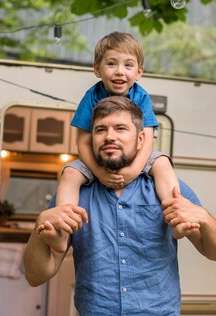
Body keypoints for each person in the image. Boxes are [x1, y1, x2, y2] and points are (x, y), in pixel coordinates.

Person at [23, 96, 216, 316]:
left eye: (121, 128)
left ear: (141, 139)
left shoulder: (167, 188)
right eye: (101, 130)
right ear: (92, 139)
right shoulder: (74, 195)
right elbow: (36, 275)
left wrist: (203, 217)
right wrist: (39, 229)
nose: (110, 136)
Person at [46, 31, 198, 240]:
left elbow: (147, 138)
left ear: (139, 72)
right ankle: (61, 232)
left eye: (128, 65)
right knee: (70, 174)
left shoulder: (141, 96)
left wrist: (134, 170)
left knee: (162, 163)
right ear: (97, 69)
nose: (120, 72)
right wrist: (99, 172)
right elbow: (82, 141)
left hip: (138, 156)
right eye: (111, 64)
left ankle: (177, 219)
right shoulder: (90, 97)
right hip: (96, 159)